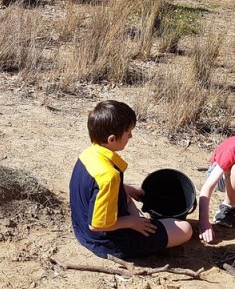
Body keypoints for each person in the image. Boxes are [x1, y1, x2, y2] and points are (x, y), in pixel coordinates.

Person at [69, 100, 193, 259]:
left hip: (81, 228)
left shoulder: (88, 154)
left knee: (126, 198)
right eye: (128, 133)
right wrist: (133, 222)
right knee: (185, 229)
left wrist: (127, 189)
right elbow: (97, 224)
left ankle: (139, 223)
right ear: (112, 139)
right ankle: (140, 234)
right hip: (105, 240)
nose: (131, 136)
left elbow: (94, 187)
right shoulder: (109, 176)